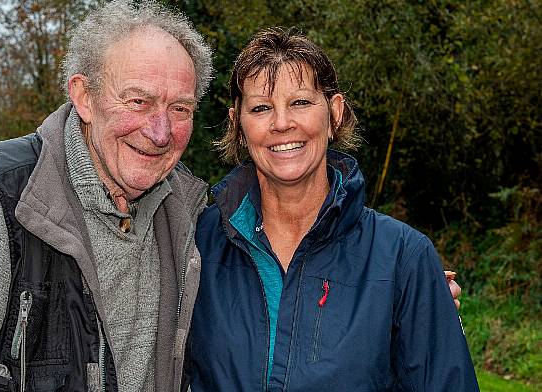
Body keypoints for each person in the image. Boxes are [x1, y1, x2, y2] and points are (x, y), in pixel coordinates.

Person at [0, 1, 212, 391]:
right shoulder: (5, 198)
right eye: (138, 101)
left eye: (180, 108)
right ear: (84, 97)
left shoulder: (186, 208)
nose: (161, 132)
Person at [185, 28, 479, 391]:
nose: (281, 123)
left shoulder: (403, 257)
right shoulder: (197, 243)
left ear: (334, 113)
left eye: (301, 102)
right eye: (261, 107)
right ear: (239, 126)